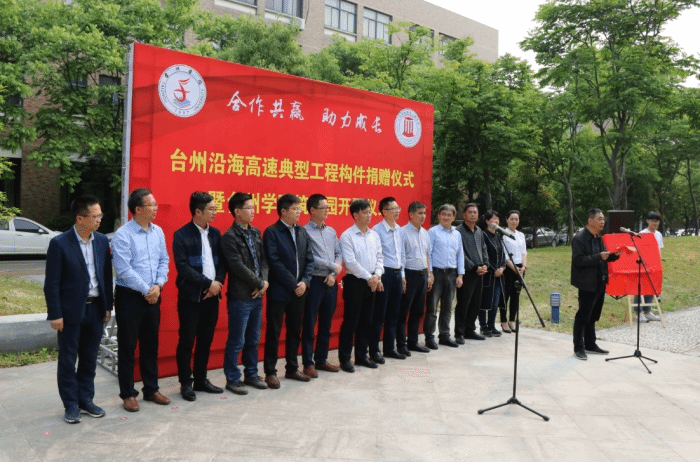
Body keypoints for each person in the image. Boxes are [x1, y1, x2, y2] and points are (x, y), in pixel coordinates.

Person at [45, 195, 113, 424]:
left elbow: (106, 276)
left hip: (96, 309)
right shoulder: (60, 243)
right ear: (80, 218)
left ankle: (86, 400)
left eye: (100, 215)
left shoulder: (101, 241)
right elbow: (51, 283)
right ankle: (71, 405)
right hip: (70, 311)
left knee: (89, 358)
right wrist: (55, 313)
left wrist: (107, 306)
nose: (100, 219)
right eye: (95, 216)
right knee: (68, 359)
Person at [112, 188, 170, 412]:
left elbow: (164, 260)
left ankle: (151, 389)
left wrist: (159, 285)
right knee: (128, 346)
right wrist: (148, 289)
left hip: (154, 295)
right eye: (151, 204)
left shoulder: (158, 232)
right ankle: (128, 394)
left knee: (150, 344)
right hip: (130, 297)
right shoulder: (123, 234)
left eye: (155, 204)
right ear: (138, 209)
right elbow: (123, 270)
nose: (155, 208)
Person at [172, 192, 227, 402]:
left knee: (205, 340)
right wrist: (207, 283)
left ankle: (201, 379)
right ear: (197, 211)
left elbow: (222, 262)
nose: (215, 212)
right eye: (211, 209)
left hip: (212, 296)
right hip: (191, 298)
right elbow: (183, 267)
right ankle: (186, 382)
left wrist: (217, 283)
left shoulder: (215, 234)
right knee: (187, 341)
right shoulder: (182, 235)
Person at [263, 194, 314, 389]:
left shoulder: (302, 231)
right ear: (283, 211)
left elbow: (310, 259)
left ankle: (292, 368)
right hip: (280, 291)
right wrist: (294, 284)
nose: (299, 212)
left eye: (299, 208)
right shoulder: (272, 232)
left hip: (300, 291)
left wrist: (305, 282)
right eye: (295, 209)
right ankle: (270, 372)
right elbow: (274, 262)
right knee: (274, 332)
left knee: (295, 330)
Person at [221, 192, 269, 394]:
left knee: (253, 339)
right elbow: (237, 266)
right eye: (249, 208)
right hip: (241, 296)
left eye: (253, 207)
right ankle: (233, 378)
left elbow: (264, 260)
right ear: (237, 211)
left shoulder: (256, 233)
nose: (253, 211)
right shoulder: (229, 237)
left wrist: (264, 282)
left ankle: (251, 374)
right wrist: (259, 283)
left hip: (258, 295)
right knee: (237, 340)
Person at [338, 199, 384, 372]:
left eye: (370, 211)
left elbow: (380, 257)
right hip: (355, 282)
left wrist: (377, 275)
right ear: (355, 215)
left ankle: (361, 356)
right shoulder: (347, 236)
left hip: (372, 282)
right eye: (365, 212)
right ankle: (345, 359)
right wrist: (370, 277)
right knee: (351, 322)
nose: (369, 215)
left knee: (367, 321)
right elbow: (350, 262)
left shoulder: (374, 235)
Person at [571, 208, 621, 360]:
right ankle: (578, 347)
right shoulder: (579, 238)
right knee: (583, 316)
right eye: (600, 219)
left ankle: (590, 344)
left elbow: (603, 257)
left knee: (593, 315)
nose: (603, 221)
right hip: (587, 282)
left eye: (603, 219)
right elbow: (579, 260)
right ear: (590, 220)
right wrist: (599, 256)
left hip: (600, 281)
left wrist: (615, 256)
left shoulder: (598, 237)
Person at [302, 194, 342, 377]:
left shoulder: (331, 231)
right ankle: (308, 363)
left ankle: (321, 359)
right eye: (323, 208)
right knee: (310, 323)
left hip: (331, 281)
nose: (327, 211)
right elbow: (308, 257)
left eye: (328, 207)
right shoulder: (304, 232)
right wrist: (331, 266)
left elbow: (339, 253)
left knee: (326, 323)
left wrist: (334, 273)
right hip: (315, 282)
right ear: (312, 210)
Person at [370, 197, 407, 362]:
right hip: (384, 275)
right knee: (379, 314)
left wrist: (403, 276)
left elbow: (402, 255)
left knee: (394, 314)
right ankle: (374, 351)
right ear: (384, 212)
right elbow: (375, 256)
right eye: (394, 209)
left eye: (398, 208)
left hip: (397, 275)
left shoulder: (400, 230)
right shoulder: (376, 231)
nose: (397, 211)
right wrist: (378, 278)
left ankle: (389, 348)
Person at [426, 204, 464, 349]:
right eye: (443, 214)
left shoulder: (457, 234)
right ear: (439, 216)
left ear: (454, 217)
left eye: (449, 215)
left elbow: (460, 255)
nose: (446, 217)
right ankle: (429, 337)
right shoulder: (433, 232)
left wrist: (460, 275)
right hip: (437, 273)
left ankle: (444, 336)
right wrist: (430, 273)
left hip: (452, 274)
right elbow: (428, 254)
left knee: (447, 308)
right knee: (432, 308)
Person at [397, 201, 434, 355]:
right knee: (403, 311)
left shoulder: (425, 233)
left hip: (422, 275)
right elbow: (401, 257)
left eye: (424, 213)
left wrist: (430, 273)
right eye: (420, 213)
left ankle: (413, 342)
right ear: (411, 214)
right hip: (409, 275)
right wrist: (403, 277)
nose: (423, 216)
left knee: (418, 311)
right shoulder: (402, 232)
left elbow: (427, 255)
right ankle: (401, 344)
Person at [455, 203, 489, 343]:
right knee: (464, 303)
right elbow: (460, 253)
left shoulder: (479, 231)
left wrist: (485, 264)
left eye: (475, 212)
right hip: (466, 272)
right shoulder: (458, 231)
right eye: (470, 212)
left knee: (476, 303)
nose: (473, 214)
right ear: (464, 215)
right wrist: (474, 267)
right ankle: (459, 333)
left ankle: (470, 330)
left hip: (480, 273)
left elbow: (484, 248)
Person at [479, 210, 508, 338]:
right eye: (493, 219)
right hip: (488, 274)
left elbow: (503, 254)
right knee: (484, 301)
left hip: (499, 275)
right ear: (487, 221)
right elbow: (484, 255)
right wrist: (494, 269)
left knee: (495, 302)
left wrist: (502, 267)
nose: (496, 221)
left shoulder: (498, 235)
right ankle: (483, 326)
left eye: (497, 219)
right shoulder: (483, 235)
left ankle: (491, 325)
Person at [501, 210, 527, 333]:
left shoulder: (521, 235)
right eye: (511, 219)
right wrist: (514, 268)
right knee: (505, 295)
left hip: (520, 269)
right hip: (508, 268)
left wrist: (524, 267)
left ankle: (512, 320)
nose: (514, 221)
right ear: (507, 220)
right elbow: (505, 256)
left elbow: (524, 252)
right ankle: (503, 321)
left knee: (515, 296)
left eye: (516, 219)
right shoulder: (503, 235)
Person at [635, 211, 663, 322]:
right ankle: (638, 313)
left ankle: (647, 311)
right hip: (643, 265)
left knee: (651, 288)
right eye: (652, 221)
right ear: (647, 221)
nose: (655, 223)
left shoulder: (659, 234)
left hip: (655, 265)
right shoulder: (642, 234)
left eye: (657, 221)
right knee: (640, 289)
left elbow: (659, 250)